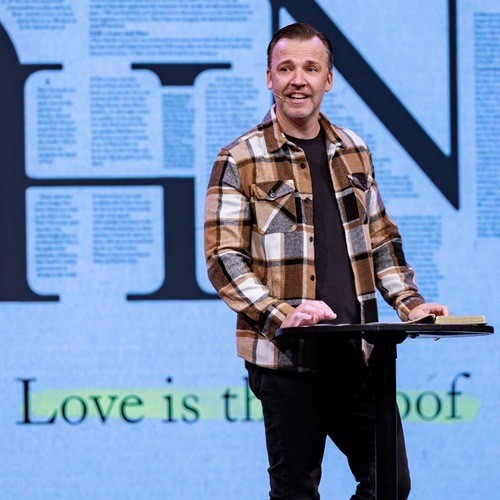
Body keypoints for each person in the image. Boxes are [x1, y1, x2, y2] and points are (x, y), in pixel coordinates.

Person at [204, 22, 449, 499]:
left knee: (390, 485)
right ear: (269, 78)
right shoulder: (240, 158)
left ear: (329, 79)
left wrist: (410, 304)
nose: (298, 80)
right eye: (286, 69)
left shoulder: (354, 150)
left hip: (359, 355)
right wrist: (282, 314)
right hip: (287, 361)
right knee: (295, 493)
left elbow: (380, 239)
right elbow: (223, 259)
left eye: (311, 68)